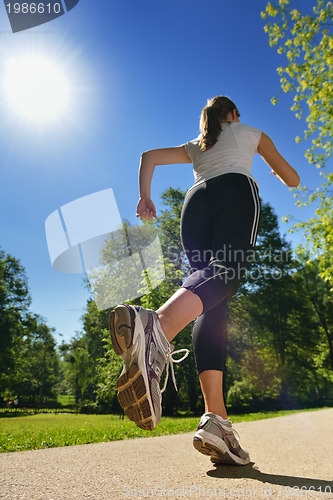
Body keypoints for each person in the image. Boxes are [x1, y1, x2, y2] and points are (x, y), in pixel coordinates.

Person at [109, 95, 300, 466]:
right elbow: (292, 178)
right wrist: (275, 168)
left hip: (194, 204)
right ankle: (157, 326)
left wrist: (144, 197)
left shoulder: (198, 144)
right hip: (235, 192)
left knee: (210, 300)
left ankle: (217, 421)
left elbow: (148, 157)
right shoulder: (250, 132)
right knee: (225, 277)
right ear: (232, 115)